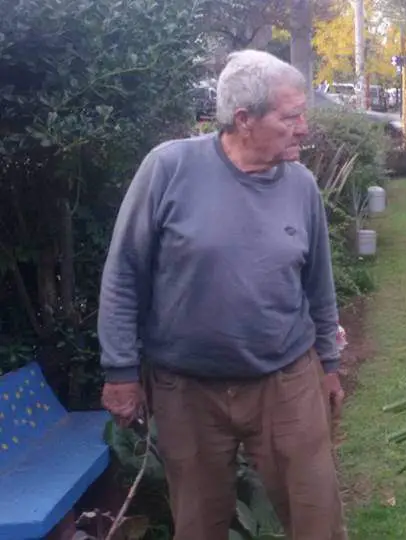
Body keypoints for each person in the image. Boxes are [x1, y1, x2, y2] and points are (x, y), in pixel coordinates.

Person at [97, 49, 347, 540]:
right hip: (187, 391)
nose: (303, 129)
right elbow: (124, 272)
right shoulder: (169, 168)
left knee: (317, 517)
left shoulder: (301, 186)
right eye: (290, 118)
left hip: (285, 381)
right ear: (244, 119)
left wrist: (330, 363)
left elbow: (318, 284)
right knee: (198, 523)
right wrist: (120, 371)